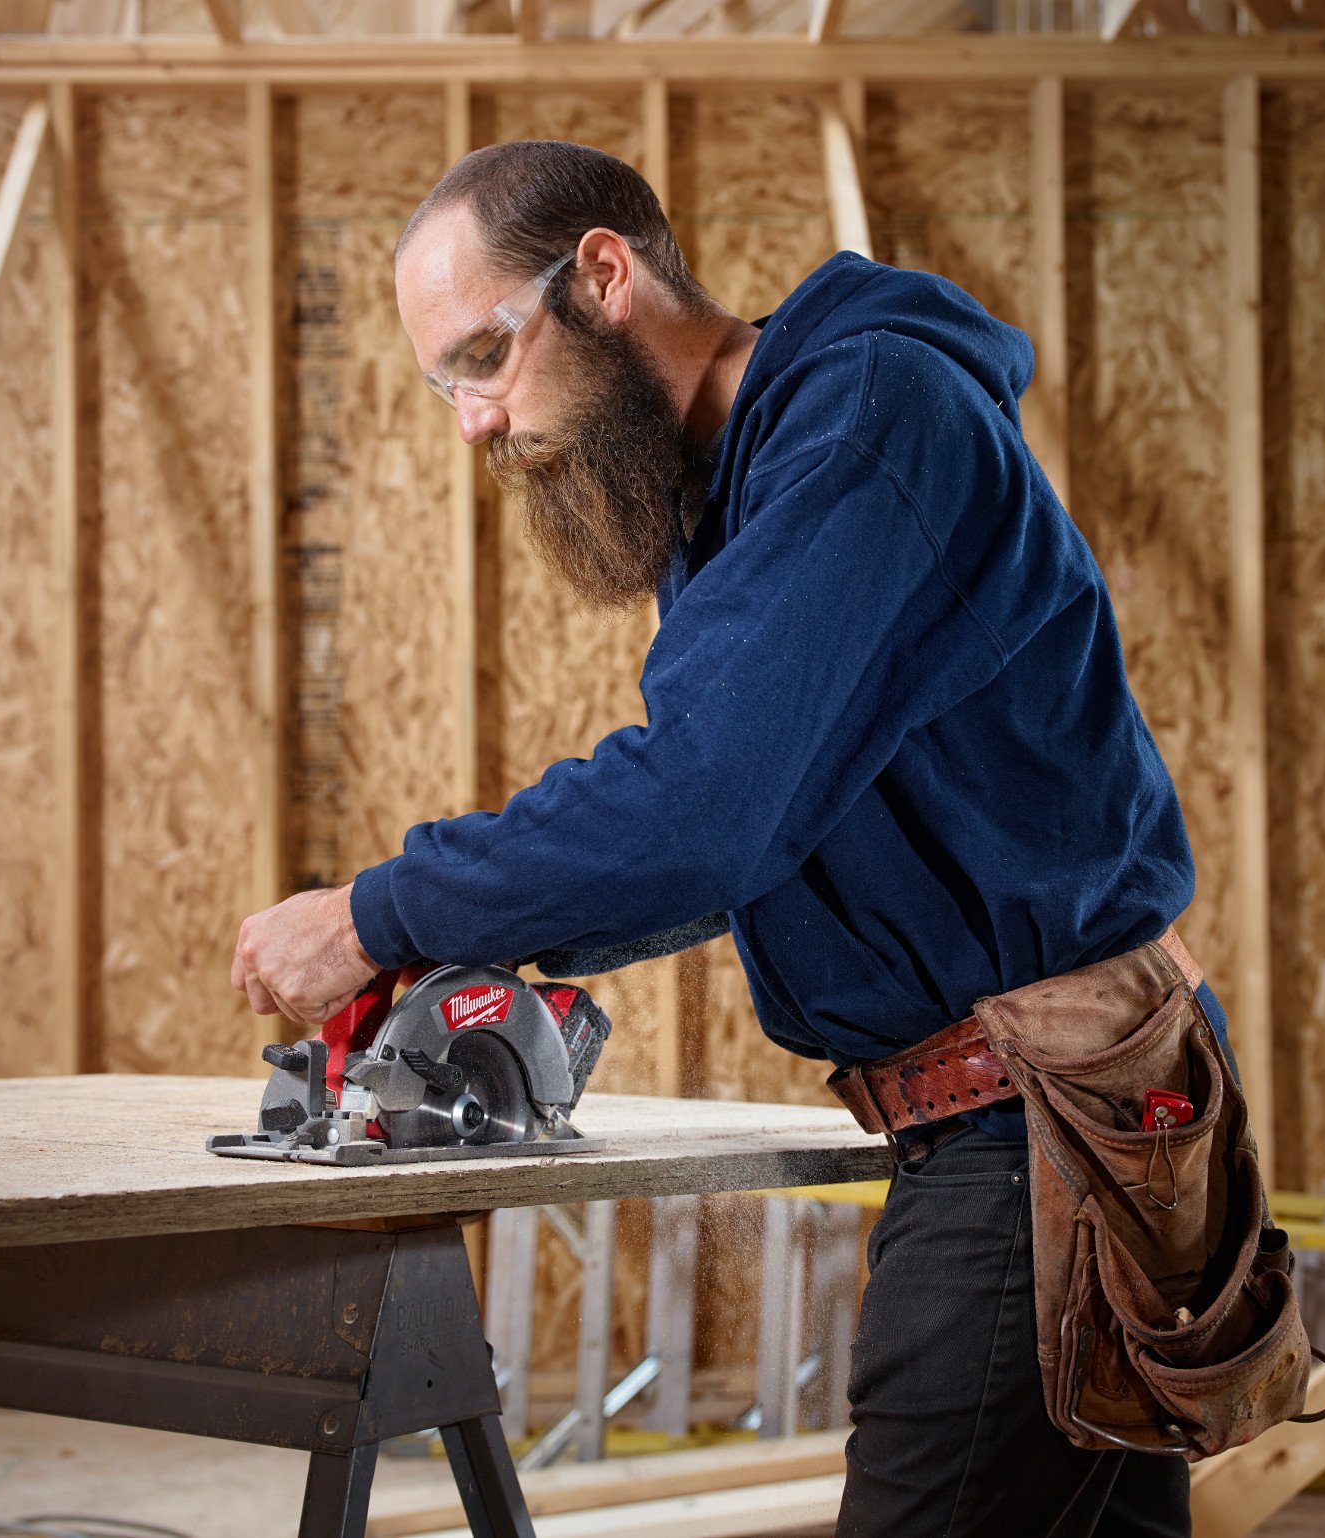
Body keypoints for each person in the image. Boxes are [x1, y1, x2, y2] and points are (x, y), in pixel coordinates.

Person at [229, 138, 1218, 1538]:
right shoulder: (736, 491)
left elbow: (701, 808)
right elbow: (745, 830)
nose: (474, 422)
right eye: (442, 382)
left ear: (605, 276)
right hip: (1054, 1120)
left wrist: (379, 910)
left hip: (1041, 1135)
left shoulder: (869, 421)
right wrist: (460, 935)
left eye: (486, 356)